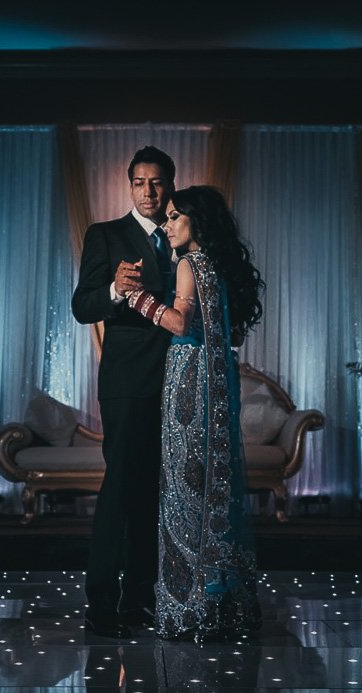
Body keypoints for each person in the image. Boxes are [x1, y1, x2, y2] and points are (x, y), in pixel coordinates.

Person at [121, 185, 265, 641]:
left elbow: (180, 322)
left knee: (184, 489)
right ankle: (220, 603)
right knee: (207, 487)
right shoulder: (217, 267)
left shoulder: (187, 264)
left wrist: (137, 299)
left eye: (175, 216)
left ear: (196, 222)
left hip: (188, 386)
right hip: (213, 386)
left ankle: (188, 609)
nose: (167, 225)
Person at [71, 146, 178, 638]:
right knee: (121, 490)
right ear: (129, 185)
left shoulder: (183, 237)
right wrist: (114, 289)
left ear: (169, 184)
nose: (149, 190)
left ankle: (141, 601)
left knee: (155, 495)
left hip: (179, 385)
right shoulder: (107, 235)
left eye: (156, 182)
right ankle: (101, 604)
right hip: (128, 383)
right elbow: (82, 306)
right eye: (140, 182)